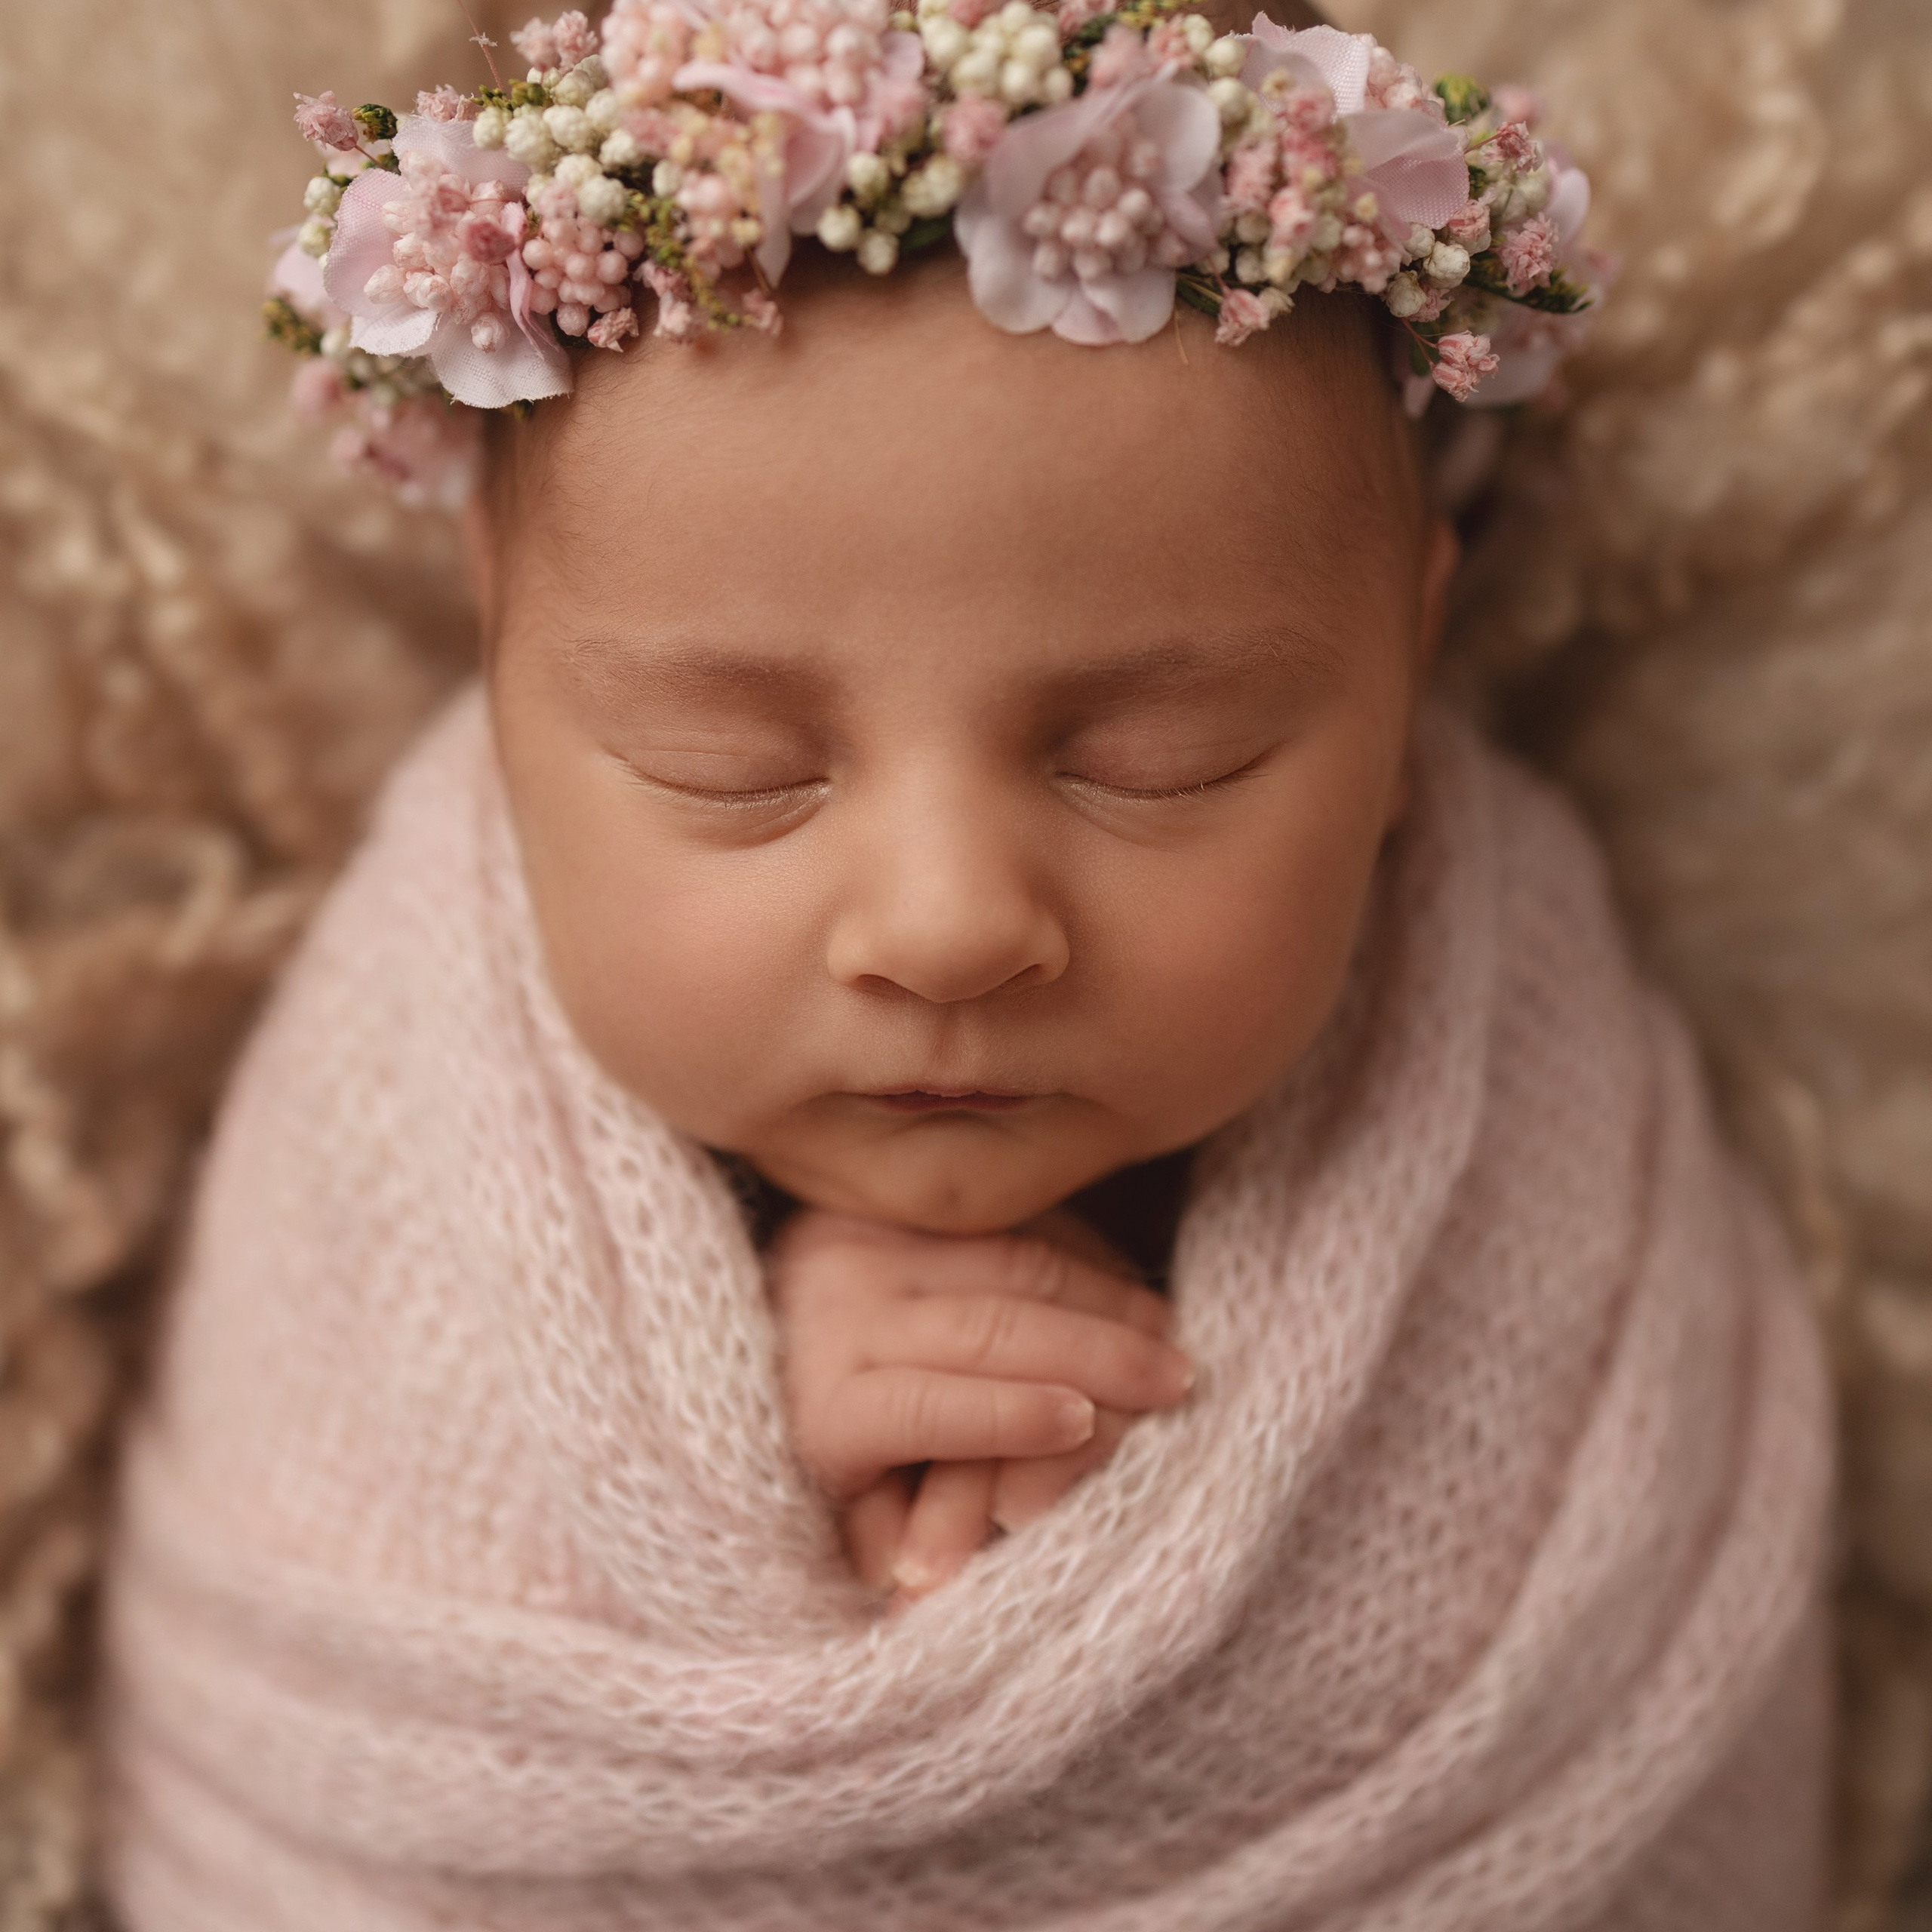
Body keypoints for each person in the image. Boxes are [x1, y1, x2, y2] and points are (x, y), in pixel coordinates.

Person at [96, 6, 1834, 1929]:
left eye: (1158, 761)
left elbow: (1645, 1693)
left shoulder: (1537, 1106)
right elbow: (321, 1653)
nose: (943, 922)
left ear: (1405, 667)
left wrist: (1134, 1473)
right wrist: (716, 1418)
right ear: (496, 644)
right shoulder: (396, 1084)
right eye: (731, 772)